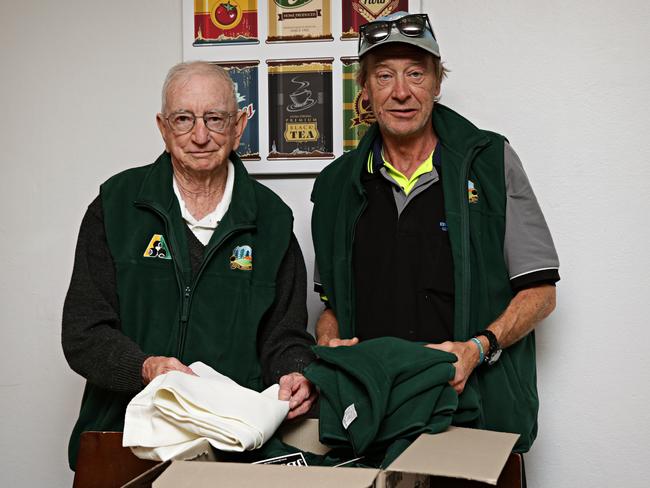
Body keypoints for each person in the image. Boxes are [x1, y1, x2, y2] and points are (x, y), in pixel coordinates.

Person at [311, 11, 559, 456]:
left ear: (437, 83)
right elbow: (330, 306)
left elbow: (540, 292)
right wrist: (329, 342)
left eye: (416, 74)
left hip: (475, 412)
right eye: (384, 76)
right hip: (374, 414)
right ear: (364, 90)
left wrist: (477, 349)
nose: (401, 91)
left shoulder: (490, 162)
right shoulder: (335, 187)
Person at [62, 61, 316, 470]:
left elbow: (284, 334)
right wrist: (146, 368)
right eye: (184, 119)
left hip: (231, 444)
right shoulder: (115, 205)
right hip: (122, 436)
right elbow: (83, 333)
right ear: (163, 128)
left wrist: (296, 372)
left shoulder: (272, 219)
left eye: (215, 119)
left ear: (239, 126)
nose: (201, 136)